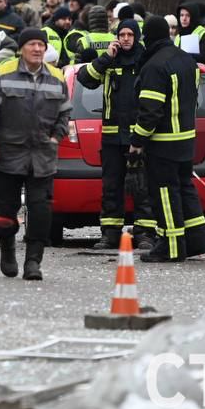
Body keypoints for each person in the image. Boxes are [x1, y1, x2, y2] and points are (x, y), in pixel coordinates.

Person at [0, 28, 70, 280]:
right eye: (32, 44)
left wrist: (56, 136)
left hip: (42, 156)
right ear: (21, 48)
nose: (37, 49)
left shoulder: (56, 77)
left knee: (41, 211)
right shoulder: (3, 73)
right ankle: (7, 248)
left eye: (41, 45)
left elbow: (65, 112)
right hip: (8, 153)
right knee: (5, 214)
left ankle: (33, 262)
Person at [130, 15, 205, 261]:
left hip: (164, 143)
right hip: (186, 140)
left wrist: (137, 141)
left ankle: (171, 247)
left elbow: (150, 112)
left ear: (148, 37)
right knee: (185, 188)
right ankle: (197, 240)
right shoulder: (186, 60)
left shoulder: (154, 66)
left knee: (165, 193)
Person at [77, 17, 154, 251]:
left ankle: (145, 234)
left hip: (139, 138)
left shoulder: (145, 60)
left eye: (130, 35)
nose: (126, 39)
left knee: (142, 188)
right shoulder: (110, 61)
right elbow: (85, 79)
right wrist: (105, 58)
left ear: (137, 37)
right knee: (111, 187)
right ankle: (110, 234)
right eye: (122, 35)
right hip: (112, 138)